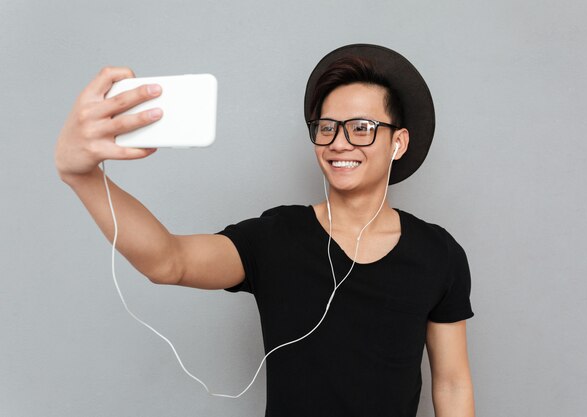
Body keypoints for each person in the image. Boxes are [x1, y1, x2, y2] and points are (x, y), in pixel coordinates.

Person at [54, 44, 476, 417]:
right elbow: (168, 261)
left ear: (398, 142)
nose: (339, 142)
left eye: (361, 128)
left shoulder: (438, 253)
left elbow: (452, 383)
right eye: (326, 127)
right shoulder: (278, 236)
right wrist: (84, 176)